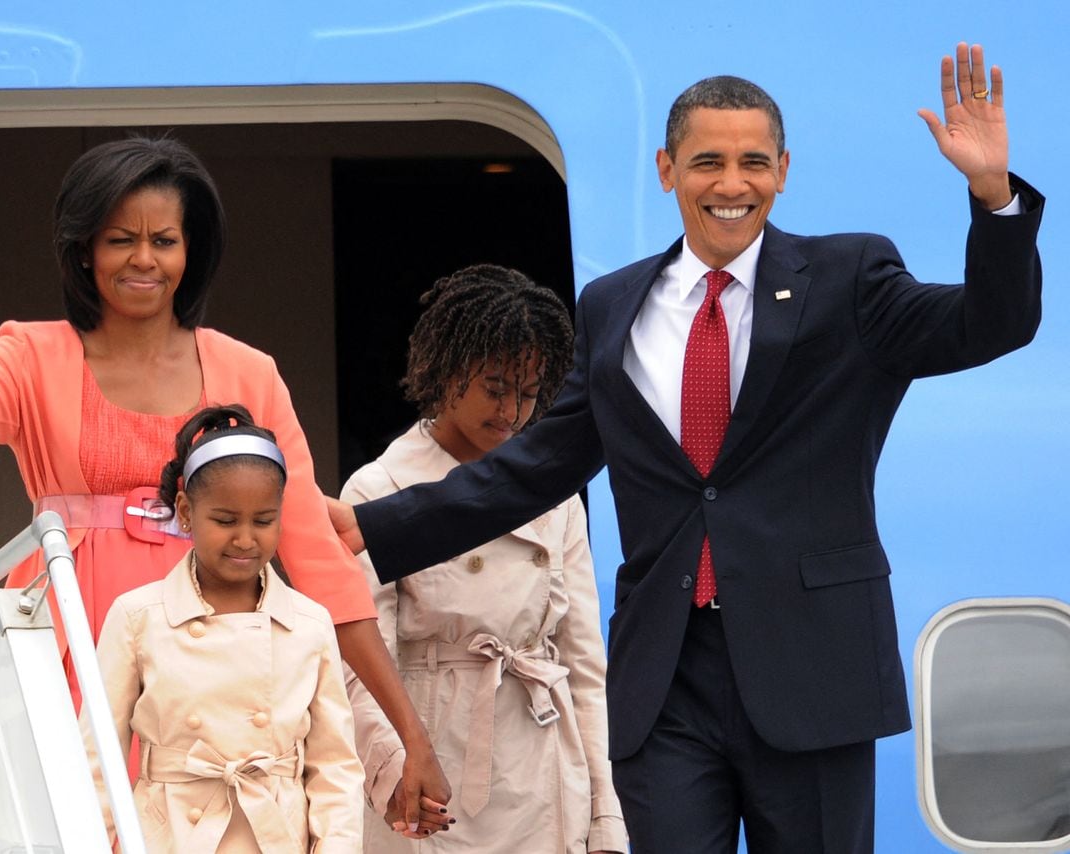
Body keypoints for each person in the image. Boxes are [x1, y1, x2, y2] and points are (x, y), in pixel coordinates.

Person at [327, 43, 1044, 852]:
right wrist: (376, 527)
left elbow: (991, 324)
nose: (731, 184)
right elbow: (538, 467)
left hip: (810, 664)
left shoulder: (849, 278)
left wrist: (992, 198)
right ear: (668, 169)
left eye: (752, 163)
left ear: (783, 171)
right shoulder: (612, 305)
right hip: (669, 673)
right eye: (708, 161)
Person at [0, 136, 448, 832]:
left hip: (214, 659)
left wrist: (411, 736)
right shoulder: (33, 354)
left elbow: (320, 564)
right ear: (84, 249)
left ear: (193, 251)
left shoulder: (248, 371)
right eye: (120, 239)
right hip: (69, 640)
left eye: (165, 239)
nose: (144, 259)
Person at [341, 265, 627, 853]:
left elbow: (585, 665)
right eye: (496, 387)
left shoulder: (557, 496)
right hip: (431, 746)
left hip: (540, 755)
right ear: (447, 375)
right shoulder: (377, 490)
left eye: (528, 392)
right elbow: (359, 661)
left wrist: (607, 814)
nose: (512, 411)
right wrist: (394, 767)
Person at [85, 404, 363, 852]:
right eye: (226, 521)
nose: (246, 539)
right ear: (186, 512)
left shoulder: (309, 624)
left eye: (264, 521)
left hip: (275, 835)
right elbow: (97, 757)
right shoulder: (138, 616)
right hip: (170, 835)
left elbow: (335, 767)